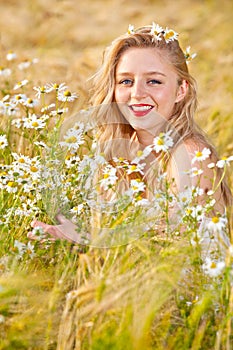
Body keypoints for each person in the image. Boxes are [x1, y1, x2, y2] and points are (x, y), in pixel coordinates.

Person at [29, 23, 232, 249]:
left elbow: (171, 249)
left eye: (154, 81)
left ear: (181, 90)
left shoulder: (193, 157)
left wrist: (85, 239)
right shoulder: (116, 155)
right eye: (126, 81)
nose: (137, 93)